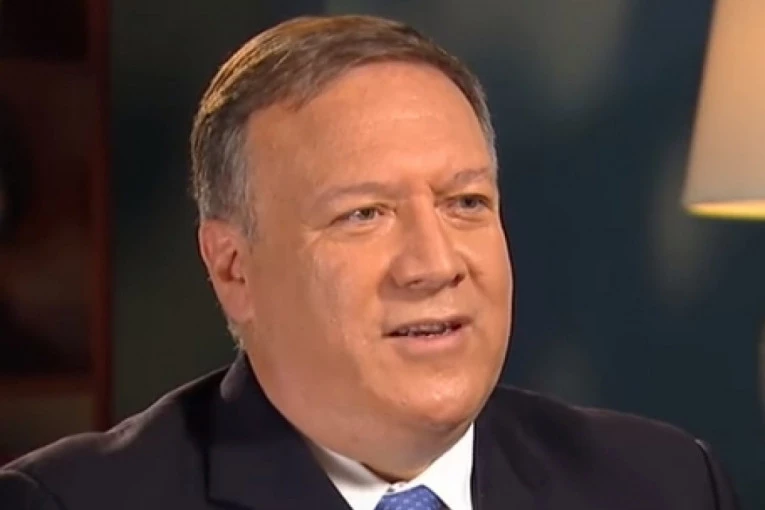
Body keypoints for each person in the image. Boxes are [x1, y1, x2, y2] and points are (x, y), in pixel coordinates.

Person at [0, 14, 739, 510]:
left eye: (465, 202)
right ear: (233, 270)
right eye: (364, 214)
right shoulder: (72, 501)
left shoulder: (664, 483)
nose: (433, 264)